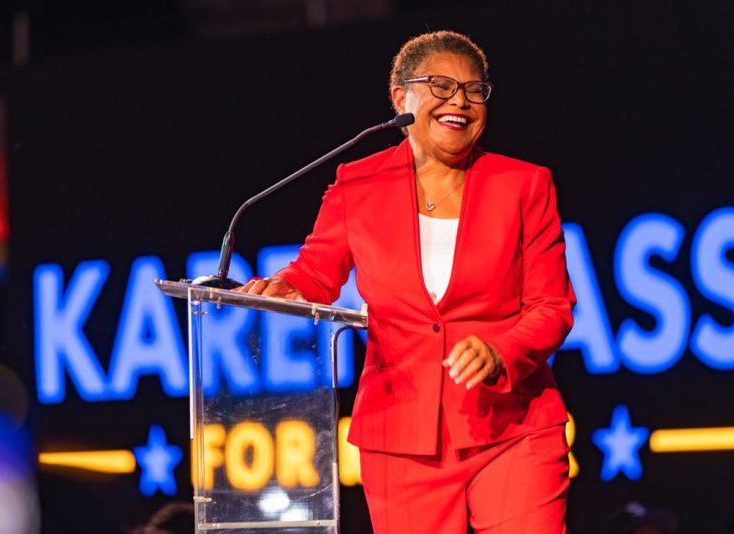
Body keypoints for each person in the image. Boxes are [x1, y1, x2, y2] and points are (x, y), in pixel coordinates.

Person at [236, 30, 575, 534]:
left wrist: (501, 349)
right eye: (440, 85)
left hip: (510, 425)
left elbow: (553, 306)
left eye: (474, 90)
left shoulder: (524, 184)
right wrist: (287, 286)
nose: (459, 101)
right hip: (399, 435)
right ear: (401, 98)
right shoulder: (358, 183)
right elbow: (315, 271)